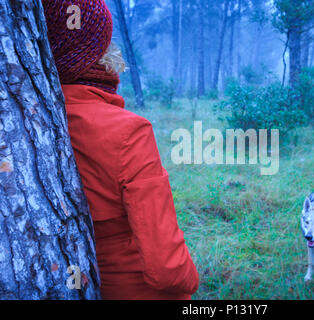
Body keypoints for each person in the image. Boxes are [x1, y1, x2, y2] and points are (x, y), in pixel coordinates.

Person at [41, 0, 199, 300]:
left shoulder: (29, 121)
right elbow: (168, 269)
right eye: (105, 41)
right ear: (96, 54)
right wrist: (191, 283)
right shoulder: (129, 132)